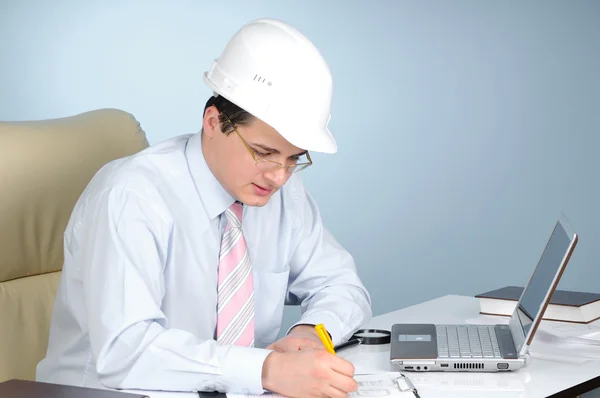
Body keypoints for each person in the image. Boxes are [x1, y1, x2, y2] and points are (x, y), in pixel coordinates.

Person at [36, 18, 372, 397]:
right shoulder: (132, 196)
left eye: (294, 158)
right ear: (213, 121)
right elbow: (125, 351)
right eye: (263, 153)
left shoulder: (283, 195)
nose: (279, 176)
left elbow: (342, 285)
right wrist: (266, 369)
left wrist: (312, 333)